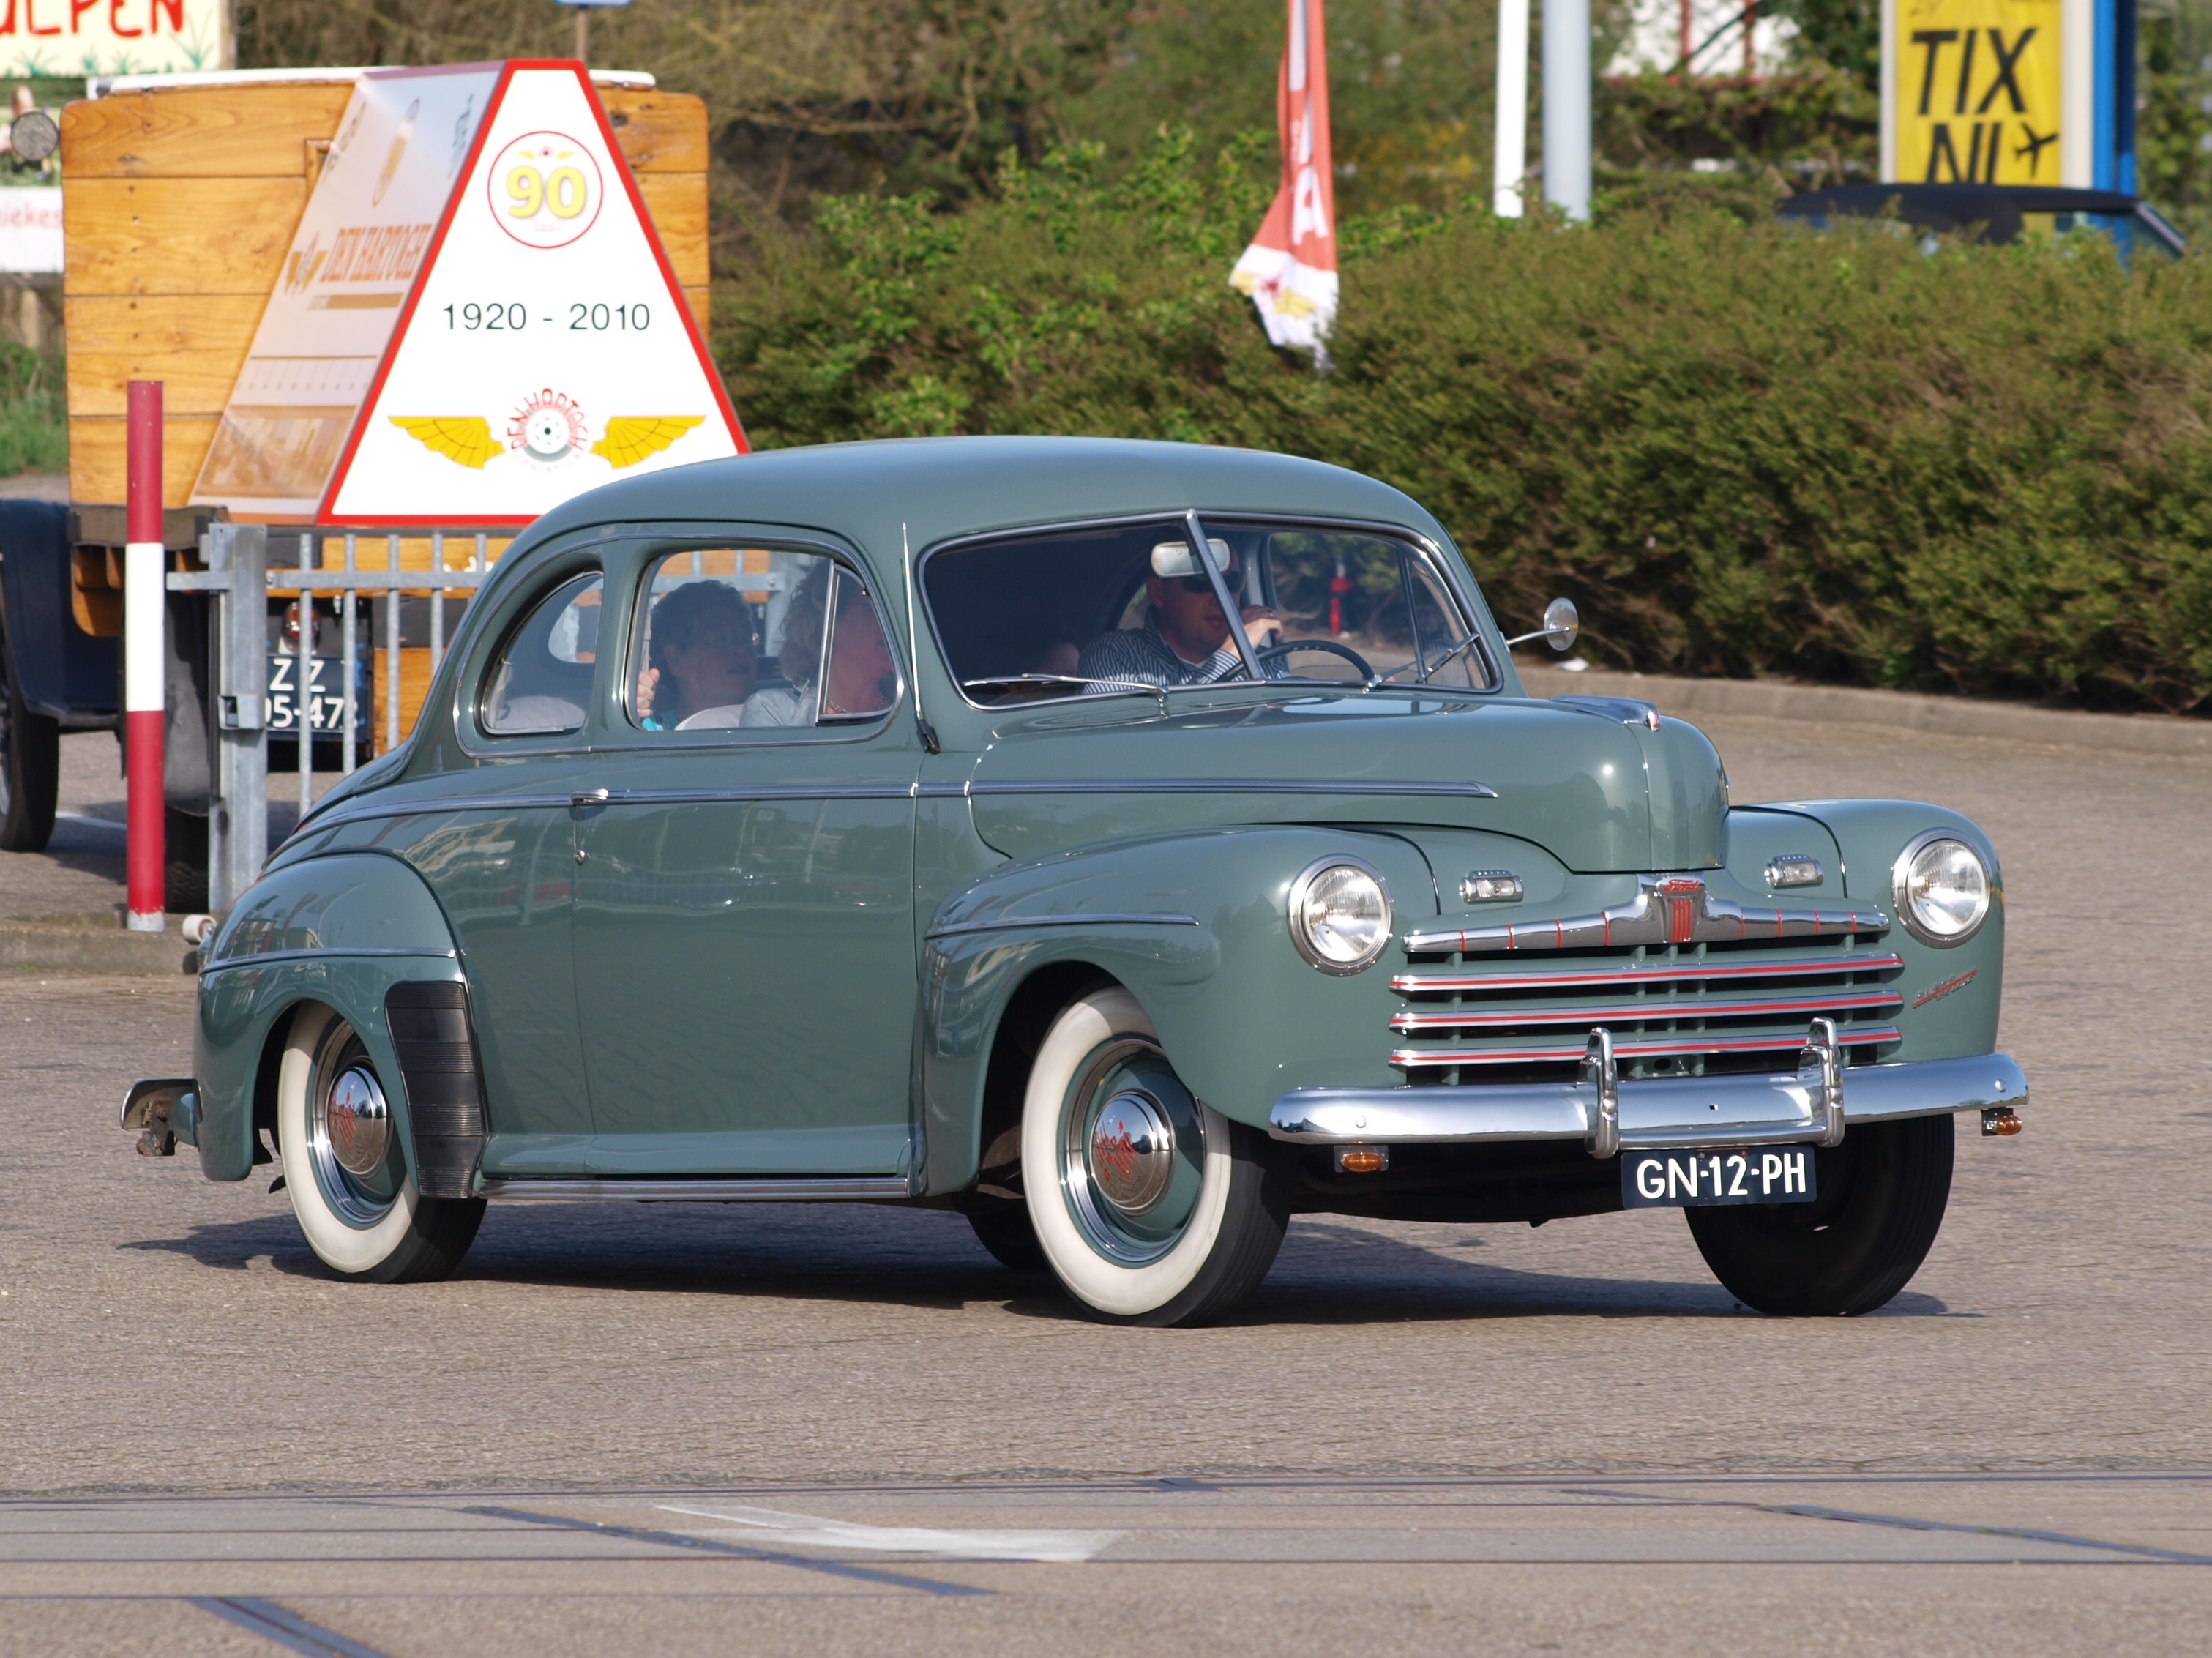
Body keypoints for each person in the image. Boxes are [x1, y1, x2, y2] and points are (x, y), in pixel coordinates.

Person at [1077, 541, 1284, 691]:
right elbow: (1134, 745)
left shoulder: (1264, 661)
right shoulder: (1113, 656)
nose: (1222, 599)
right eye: (1202, 583)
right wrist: (1232, 657)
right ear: (1158, 593)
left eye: (1232, 584)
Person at [742, 563, 897, 726]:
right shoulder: (773, 711)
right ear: (828, 616)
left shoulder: (918, 704)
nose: (892, 623)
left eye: (894, 612)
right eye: (873, 609)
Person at [635, 580, 758, 730]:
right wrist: (634, 708)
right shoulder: (647, 729)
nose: (740, 649)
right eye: (721, 639)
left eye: (745, 638)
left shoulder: (778, 722)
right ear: (676, 659)